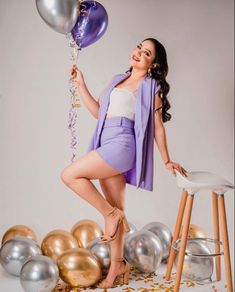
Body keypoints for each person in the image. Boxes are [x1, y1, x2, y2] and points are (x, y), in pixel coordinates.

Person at [60, 38, 188, 289]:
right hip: (105, 140)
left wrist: (167, 160)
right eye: (139, 48)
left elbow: (158, 128)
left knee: (69, 175)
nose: (139, 53)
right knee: (117, 205)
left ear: (153, 63)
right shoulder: (117, 79)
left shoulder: (151, 87)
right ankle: (117, 265)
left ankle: (110, 214)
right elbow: (99, 114)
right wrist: (81, 84)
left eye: (147, 53)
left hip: (123, 144)